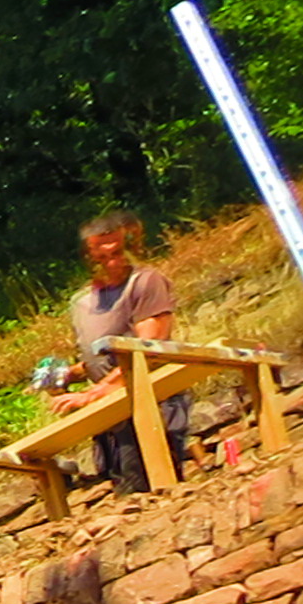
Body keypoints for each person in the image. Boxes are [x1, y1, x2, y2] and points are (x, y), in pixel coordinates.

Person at [47, 211, 187, 494]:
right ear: (87, 258)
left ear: (133, 247)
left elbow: (148, 349)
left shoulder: (145, 282)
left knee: (155, 490)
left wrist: (94, 393)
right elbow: (96, 359)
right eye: (101, 257)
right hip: (110, 416)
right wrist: (65, 375)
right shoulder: (82, 302)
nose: (111, 263)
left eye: (118, 253)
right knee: (126, 493)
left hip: (149, 404)